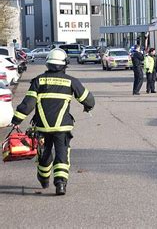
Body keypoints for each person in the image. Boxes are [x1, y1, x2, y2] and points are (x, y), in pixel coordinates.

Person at [10, 48, 95, 195]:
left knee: (44, 153)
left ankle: (43, 179)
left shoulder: (38, 80)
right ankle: (61, 184)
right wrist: (87, 107)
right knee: (62, 153)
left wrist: (17, 119)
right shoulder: (71, 81)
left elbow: (28, 103)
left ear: (48, 63)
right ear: (64, 64)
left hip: (42, 127)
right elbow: (89, 100)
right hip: (62, 127)